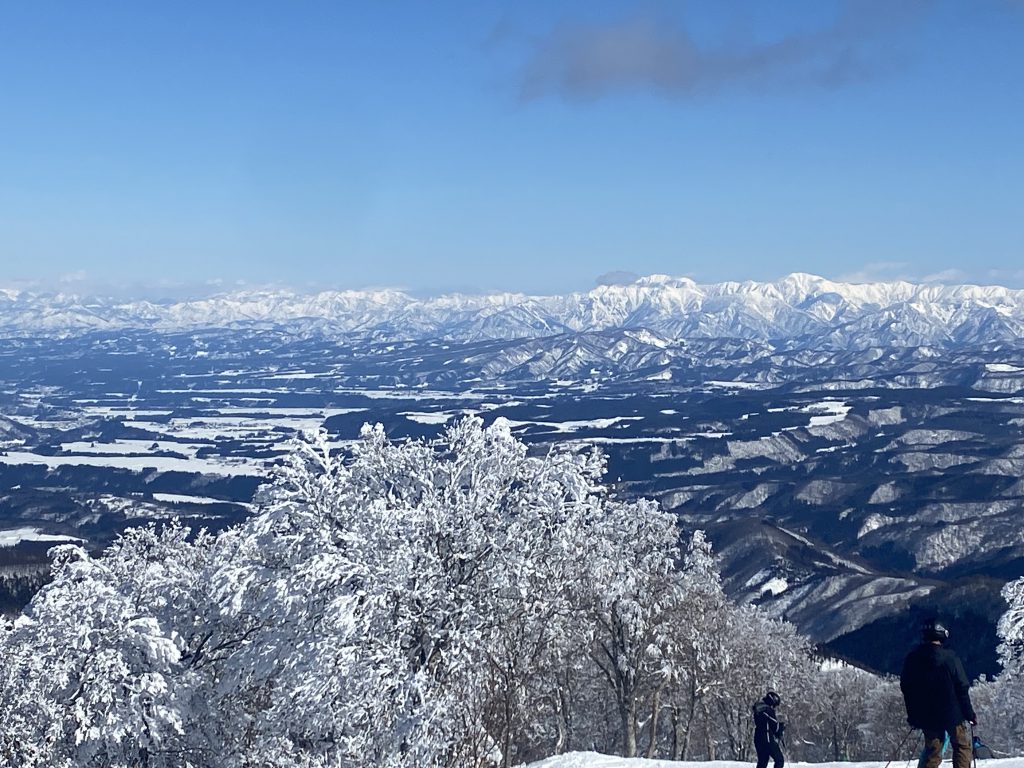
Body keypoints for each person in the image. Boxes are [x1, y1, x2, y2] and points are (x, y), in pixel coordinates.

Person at [900, 619, 977, 768]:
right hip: (953, 713)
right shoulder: (950, 658)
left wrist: (913, 715)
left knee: (933, 749)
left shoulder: (912, 658)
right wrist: (969, 714)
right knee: (961, 746)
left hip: (927, 714)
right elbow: (962, 687)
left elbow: (907, 688)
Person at [752, 690, 784, 768]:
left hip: (758, 739)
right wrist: (780, 727)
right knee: (779, 759)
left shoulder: (759, 709)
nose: (774, 707)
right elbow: (775, 726)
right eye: (774, 705)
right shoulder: (768, 710)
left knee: (762, 761)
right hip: (767, 739)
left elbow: (766, 723)